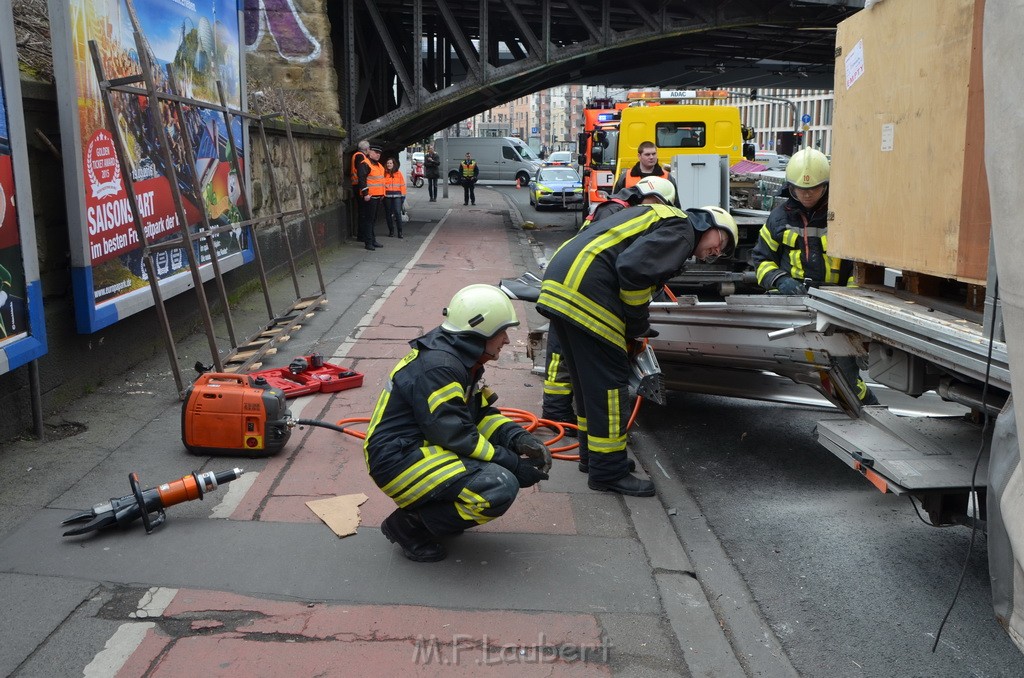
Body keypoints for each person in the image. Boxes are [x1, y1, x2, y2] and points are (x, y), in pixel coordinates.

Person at [537, 184, 738, 497]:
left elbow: (632, 267)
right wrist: (636, 326)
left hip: (562, 284)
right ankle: (609, 472)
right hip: (588, 291)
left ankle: (596, 459)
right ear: (707, 224)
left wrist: (635, 326)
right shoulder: (683, 231)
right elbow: (632, 271)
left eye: (722, 253)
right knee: (610, 387)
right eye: (720, 241)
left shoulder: (663, 219)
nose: (717, 252)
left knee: (589, 385)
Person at [364, 284, 553, 562]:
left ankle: (434, 512)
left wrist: (516, 437)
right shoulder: (442, 367)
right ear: (481, 331)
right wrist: (511, 463)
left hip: (414, 450)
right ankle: (408, 526)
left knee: (491, 473)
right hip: (396, 460)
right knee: (498, 485)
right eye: (503, 332)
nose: (507, 341)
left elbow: (479, 415)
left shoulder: (459, 359)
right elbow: (455, 434)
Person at [543, 176, 679, 427]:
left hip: (572, 285)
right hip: (577, 290)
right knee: (561, 354)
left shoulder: (619, 208)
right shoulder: (618, 211)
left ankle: (558, 411)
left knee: (564, 353)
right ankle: (556, 412)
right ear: (654, 199)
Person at [750, 147, 878, 406]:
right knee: (804, 366)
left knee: (843, 368)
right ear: (791, 188)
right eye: (801, 189)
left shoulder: (842, 217)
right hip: (793, 302)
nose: (807, 194)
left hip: (835, 306)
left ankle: (867, 407)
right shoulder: (778, 219)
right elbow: (761, 260)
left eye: (814, 188)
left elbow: (860, 266)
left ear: (826, 186)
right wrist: (780, 281)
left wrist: (851, 298)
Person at [356, 143, 385, 250]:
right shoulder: (365, 164)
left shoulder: (379, 166)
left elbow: (381, 181)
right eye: (376, 152)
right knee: (368, 220)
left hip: (377, 196)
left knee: (373, 220)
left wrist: (383, 193)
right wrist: (365, 194)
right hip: (370, 197)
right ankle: (368, 242)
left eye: (379, 153)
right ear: (370, 152)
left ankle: (372, 240)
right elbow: (362, 180)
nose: (378, 155)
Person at [382, 157, 407, 238]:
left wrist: (403, 196)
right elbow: (381, 185)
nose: (389, 164)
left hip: (397, 196)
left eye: (390, 163)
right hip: (387, 196)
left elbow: (402, 185)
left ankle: (400, 232)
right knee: (388, 214)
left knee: (397, 213)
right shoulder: (384, 173)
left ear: (394, 164)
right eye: (388, 163)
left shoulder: (398, 173)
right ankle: (391, 231)